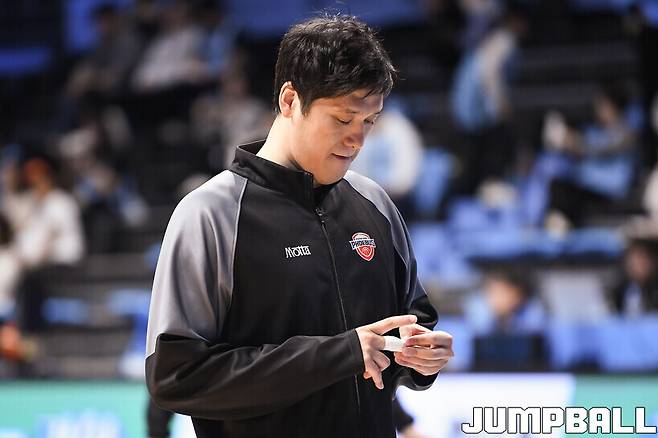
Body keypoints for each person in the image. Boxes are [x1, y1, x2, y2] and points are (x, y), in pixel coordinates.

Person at [146, 14, 453, 438]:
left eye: (369, 122)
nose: (357, 140)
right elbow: (176, 377)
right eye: (343, 119)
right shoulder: (211, 214)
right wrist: (338, 354)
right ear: (290, 100)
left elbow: (409, 325)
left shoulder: (375, 204)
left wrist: (422, 358)